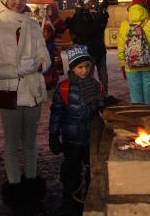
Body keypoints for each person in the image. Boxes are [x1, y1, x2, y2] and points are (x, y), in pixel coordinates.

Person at [0, 0, 50, 214]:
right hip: (10, 91)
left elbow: (45, 56)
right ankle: (15, 188)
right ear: (5, 0)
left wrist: (39, 65)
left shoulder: (32, 24)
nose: (18, 2)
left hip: (32, 92)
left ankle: (31, 184)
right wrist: (16, 70)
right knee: (11, 143)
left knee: (30, 141)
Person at [49, 44, 104, 216]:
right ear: (72, 68)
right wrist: (53, 135)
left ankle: (90, 201)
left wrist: (105, 103)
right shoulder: (64, 87)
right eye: (80, 67)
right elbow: (56, 113)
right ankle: (70, 204)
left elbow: (99, 110)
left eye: (87, 66)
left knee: (91, 171)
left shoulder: (95, 85)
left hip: (90, 139)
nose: (84, 70)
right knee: (71, 172)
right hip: (71, 139)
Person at [117, 0, 150, 105]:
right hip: (149, 65)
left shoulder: (124, 24)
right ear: (144, 5)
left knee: (136, 97)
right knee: (149, 97)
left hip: (131, 66)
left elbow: (121, 48)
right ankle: (149, 119)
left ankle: (138, 120)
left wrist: (123, 64)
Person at [66, 0, 110, 98]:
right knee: (88, 76)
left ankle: (103, 96)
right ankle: (88, 97)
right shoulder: (77, 17)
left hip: (100, 50)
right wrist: (99, 20)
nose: (90, 3)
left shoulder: (91, 14)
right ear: (81, 3)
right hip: (89, 52)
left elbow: (99, 30)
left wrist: (104, 18)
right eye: (88, 2)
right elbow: (88, 32)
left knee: (104, 77)